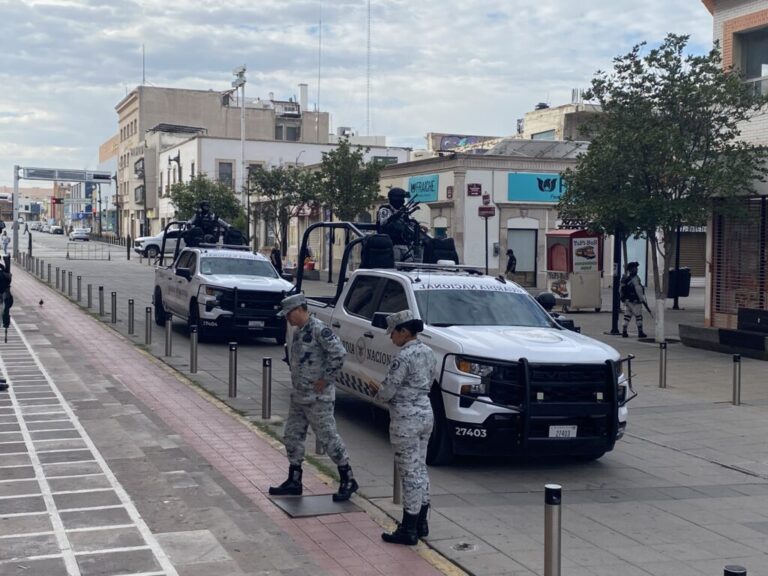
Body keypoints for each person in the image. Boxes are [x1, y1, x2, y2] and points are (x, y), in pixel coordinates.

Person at [269, 294, 359, 501]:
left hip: (318, 398)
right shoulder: (300, 331)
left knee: (328, 438)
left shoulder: (319, 329)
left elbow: (339, 353)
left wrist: (326, 379)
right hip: (300, 395)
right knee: (292, 436)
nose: (287, 319)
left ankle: (348, 478)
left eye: (289, 314)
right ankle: (294, 479)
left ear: (300, 309)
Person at [368, 310, 436, 545]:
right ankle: (422, 522)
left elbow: (388, 391)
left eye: (393, 333)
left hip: (406, 419)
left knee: (409, 473)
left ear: (404, 332)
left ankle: (408, 527)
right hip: (426, 413)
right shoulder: (429, 352)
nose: (391, 338)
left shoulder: (403, 357)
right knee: (421, 469)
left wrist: (375, 390)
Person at [376, 187, 416, 261]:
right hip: (391, 244)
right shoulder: (385, 209)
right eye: (401, 198)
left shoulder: (403, 210)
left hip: (404, 245)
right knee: (395, 266)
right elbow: (384, 225)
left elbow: (409, 223)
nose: (403, 201)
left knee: (410, 265)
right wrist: (397, 215)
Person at [620, 261, 648, 338]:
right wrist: (641, 299)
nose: (637, 269)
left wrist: (623, 298)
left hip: (627, 301)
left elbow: (620, 289)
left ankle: (624, 331)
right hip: (635, 301)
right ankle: (640, 332)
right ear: (632, 269)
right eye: (635, 268)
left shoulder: (625, 278)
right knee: (638, 316)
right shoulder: (635, 279)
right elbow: (638, 289)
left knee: (627, 316)